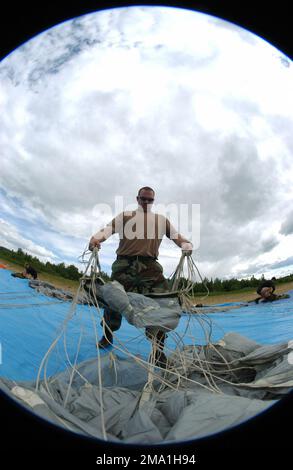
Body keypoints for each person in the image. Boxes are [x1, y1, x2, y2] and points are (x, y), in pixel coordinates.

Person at [88, 187, 193, 362]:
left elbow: (176, 236)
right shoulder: (126, 216)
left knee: (162, 304)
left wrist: (185, 244)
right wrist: (96, 239)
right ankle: (108, 335)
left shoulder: (161, 220)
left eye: (149, 200)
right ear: (137, 198)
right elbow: (108, 229)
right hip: (124, 264)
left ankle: (158, 351)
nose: (146, 202)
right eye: (143, 199)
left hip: (150, 266)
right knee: (112, 300)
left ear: (153, 201)